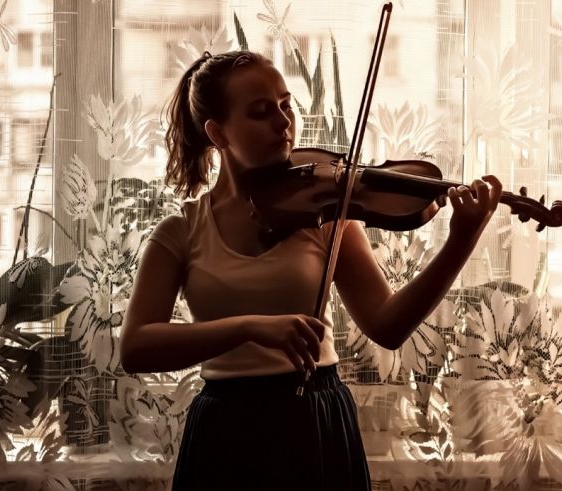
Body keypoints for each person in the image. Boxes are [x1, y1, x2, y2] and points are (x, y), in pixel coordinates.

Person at [119, 50, 502, 491]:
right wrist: (249, 327)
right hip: (226, 426)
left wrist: (461, 241)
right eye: (261, 111)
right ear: (217, 132)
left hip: (314, 419)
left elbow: (388, 326)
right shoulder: (182, 230)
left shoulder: (328, 212)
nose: (283, 122)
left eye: (286, 105)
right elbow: (136, 348)